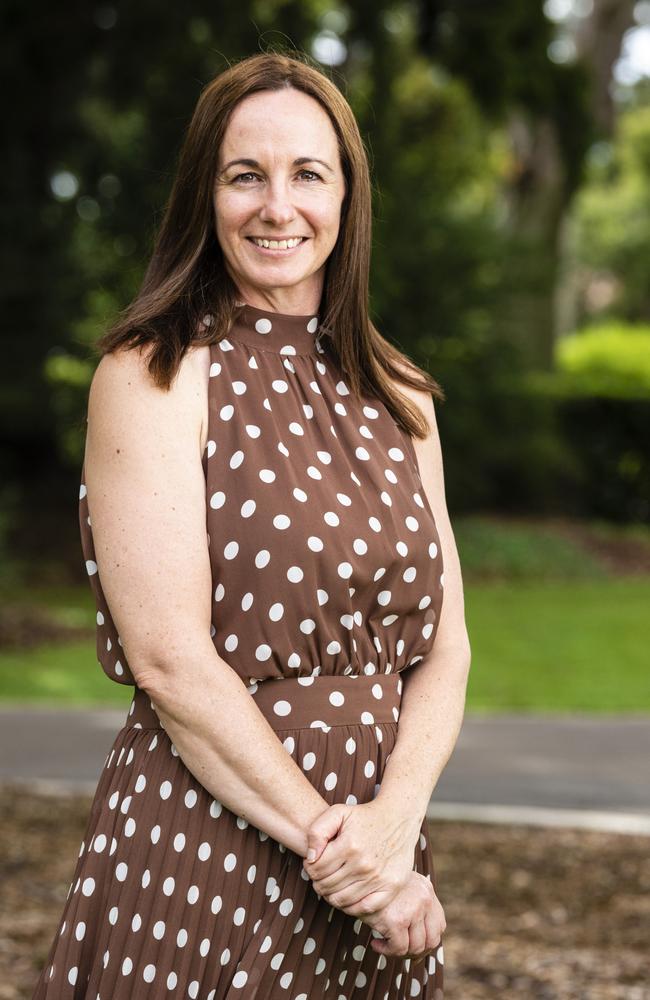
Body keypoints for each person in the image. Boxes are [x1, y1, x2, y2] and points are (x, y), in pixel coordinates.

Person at [31, 50, 470, 999]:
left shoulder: (403, 397)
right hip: (211, 843)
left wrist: (394, 824)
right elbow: (170, 663)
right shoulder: (152, 376)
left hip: (378, 850)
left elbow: (447, 647)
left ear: (347, 197)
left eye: (308, 173)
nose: (279, 206)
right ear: (205, 194)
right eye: (245, 175)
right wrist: (349, 856)